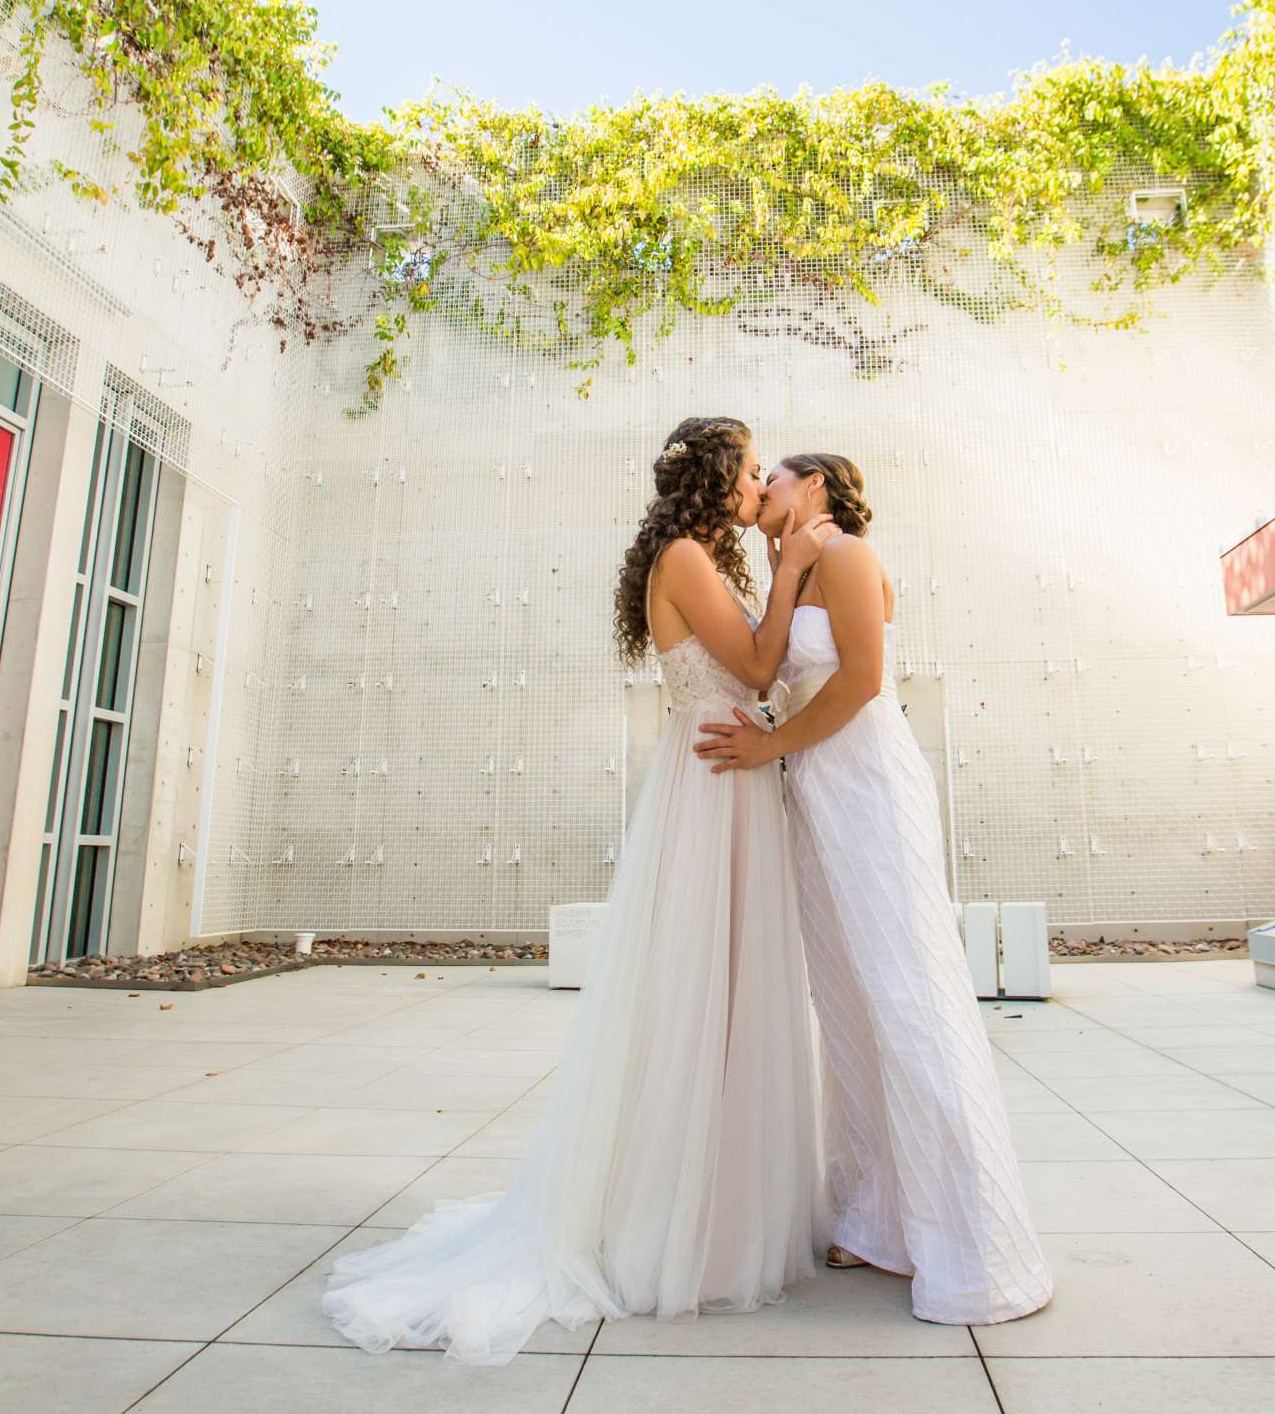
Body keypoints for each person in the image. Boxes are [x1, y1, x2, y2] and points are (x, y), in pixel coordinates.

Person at [320, 415, 839, 1365]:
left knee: (733, 993)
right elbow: (759, 664)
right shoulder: (684, 557)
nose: (763, 485)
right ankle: (677, 1220)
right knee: (698, 995)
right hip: (714, 785)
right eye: (753, 470)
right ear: (717, 479)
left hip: (731, 774)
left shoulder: (698, 556)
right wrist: (796, 565)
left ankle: (720, 1205)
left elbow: (754, 667)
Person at [696, 452, 1055, 1325]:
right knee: (850, 1006)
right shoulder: (796, 567)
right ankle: (880, 1218)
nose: (759, 490)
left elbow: (860, 681)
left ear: (813, 485)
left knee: (910, 999)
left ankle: (975, 1246)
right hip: (816, 796)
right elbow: (775, 676)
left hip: (869, 789)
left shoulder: (849, 556)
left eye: (770, 476)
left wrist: (771, 745)